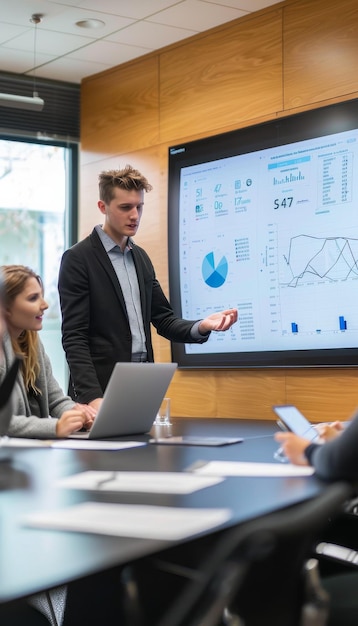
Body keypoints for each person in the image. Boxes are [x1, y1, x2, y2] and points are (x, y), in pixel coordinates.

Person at [58, 164, 238, 409]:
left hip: (141, 386)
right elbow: (74, 338)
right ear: (103, 207)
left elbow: (163, 320)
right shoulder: (78, 259)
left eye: (139, 207)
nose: (134, 215)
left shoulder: (140, 258)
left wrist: (202, 326)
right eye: (125, 207)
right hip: (99, 393)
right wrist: (93, 398)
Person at [0, 265, 95, 438]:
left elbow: (55, 399)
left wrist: (78, 414)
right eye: (33, 298)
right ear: (5, 307)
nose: (44, 305)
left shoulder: (31, 342)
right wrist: (55, 427)